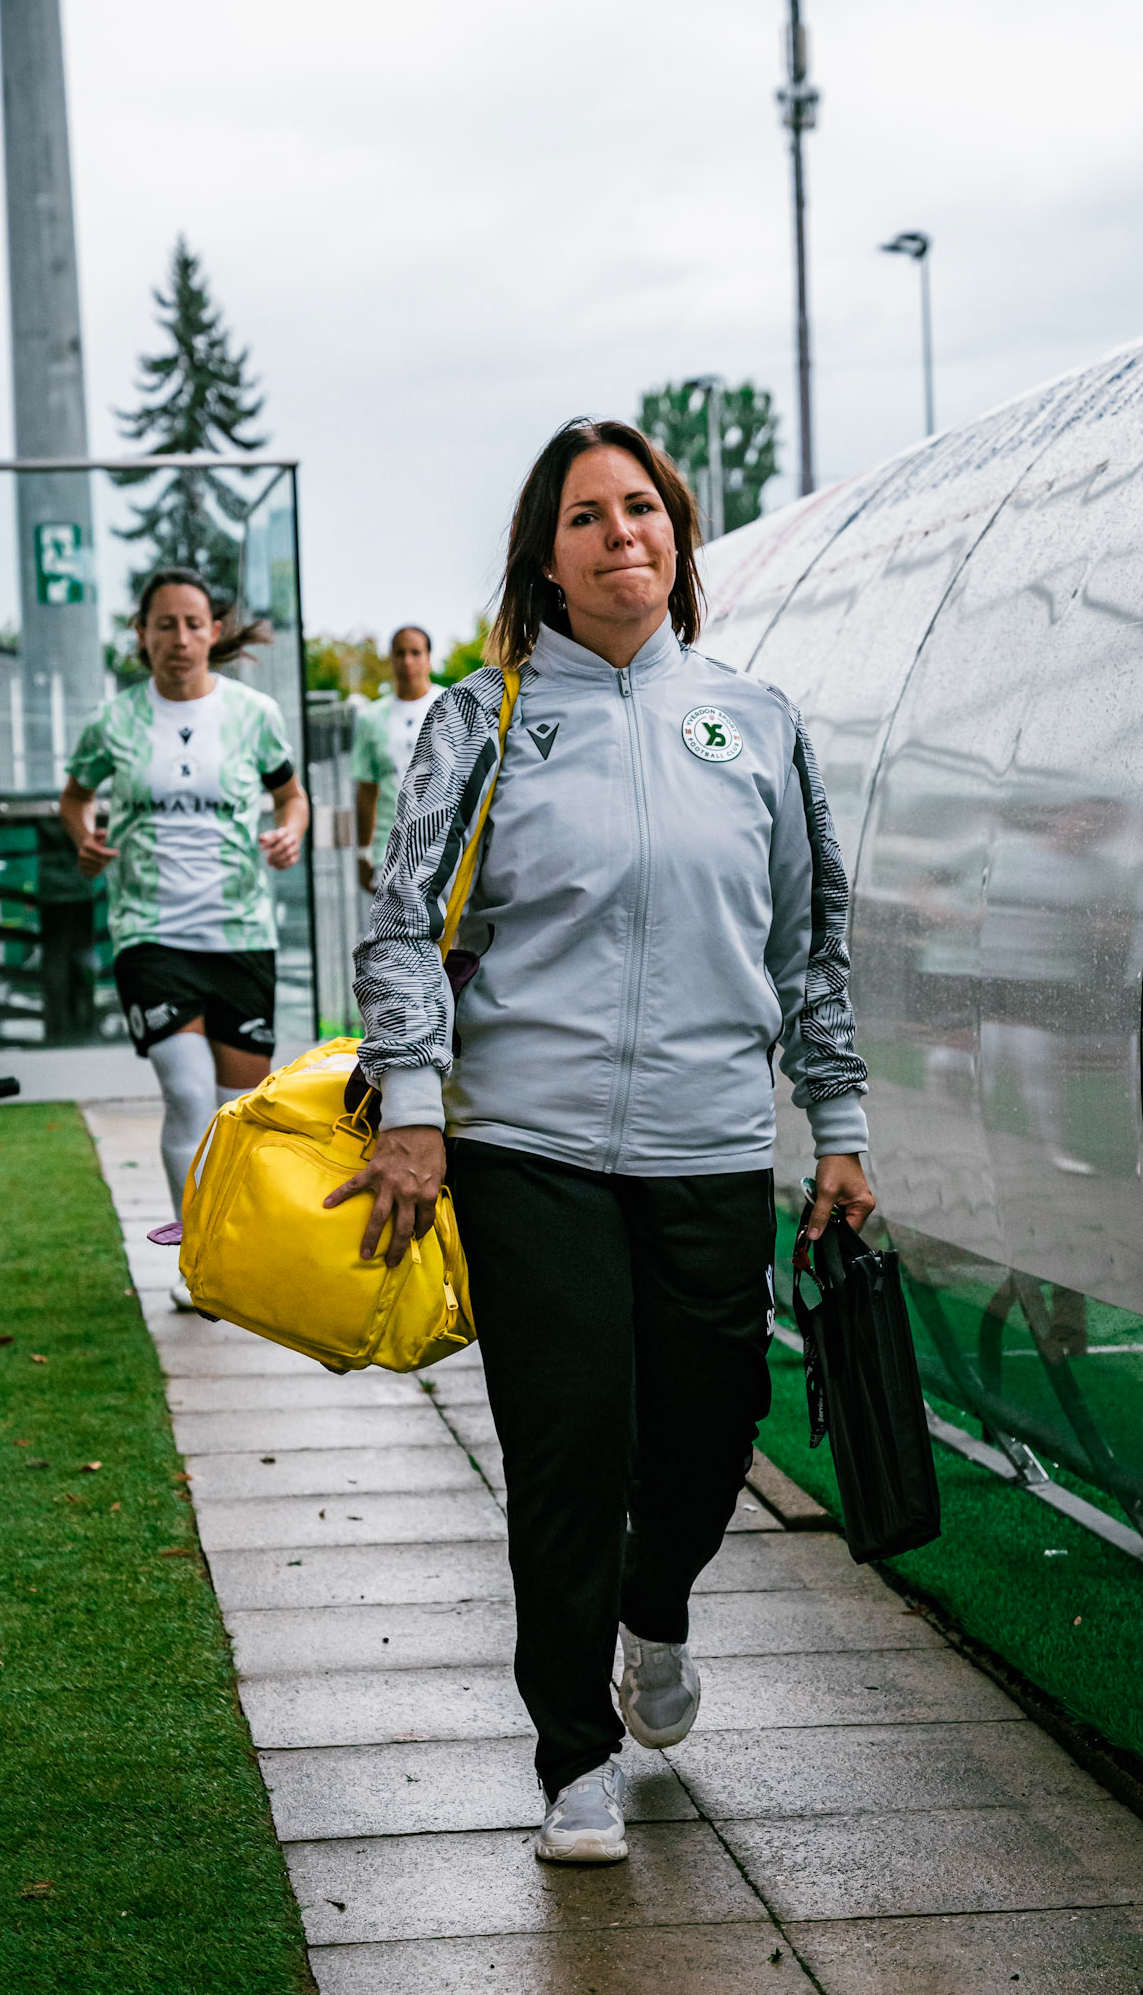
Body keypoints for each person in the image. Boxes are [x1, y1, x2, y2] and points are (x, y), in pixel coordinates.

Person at [328, 419, 873, 1864]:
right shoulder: (483, 718)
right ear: (545, 558)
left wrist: (840, 1125)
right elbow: (399, 929)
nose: (621, 533)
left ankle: (657, 1608)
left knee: (705, 1439)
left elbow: (811, 946)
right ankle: (574, 1755)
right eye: (588, 516)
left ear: (679, 541)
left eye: (644, 509)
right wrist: (420, 1113)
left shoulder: (755, 723)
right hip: (530, 1144)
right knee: (569, 1448)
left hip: (704, 1145)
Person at [60, 568, 309, 1304]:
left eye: (192, 624)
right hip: (149, 931)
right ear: (141, 635)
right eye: (163, 624)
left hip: (239, 931)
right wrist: (84, 838)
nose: (178, 639)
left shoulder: (255, 714)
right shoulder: (114, 723)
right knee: (188, 1091)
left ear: (214, 632)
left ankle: (238, 1253)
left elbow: (289, 795)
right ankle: (197, 1265)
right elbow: (75, 796)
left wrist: (289, 833)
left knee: (239, 1112)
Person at [351, 624, 444, 896]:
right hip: (389, 849)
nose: (407, 661)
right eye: (400, 653)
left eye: (416, 652)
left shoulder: (448, 707)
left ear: (429, 658)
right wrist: (363, 852)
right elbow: (367, 789)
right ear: (390, 658)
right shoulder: (371, 717)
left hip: (441, 843)